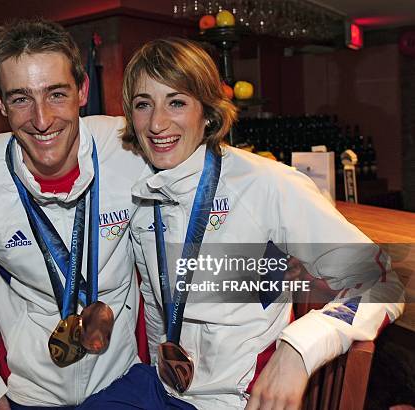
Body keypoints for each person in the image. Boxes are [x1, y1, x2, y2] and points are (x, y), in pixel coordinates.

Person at [122, 37, 405, 410]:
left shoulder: (267, 184)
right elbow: (159, 308)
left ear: (207, 112)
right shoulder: (141, 192)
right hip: (160, 388)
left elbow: (381, 283)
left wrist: (298, 348)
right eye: (144, 104)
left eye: (176, 101)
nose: (157, 123)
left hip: (238, 401)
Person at [0, 19, 148, 409]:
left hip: (126, 375)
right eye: (21, 98)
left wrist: (294, 347)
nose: (41, 120)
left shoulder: (135, 146)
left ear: (82, 90)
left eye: (56, 94)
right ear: (0, 102)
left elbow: (232, 184)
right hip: (31, 390)